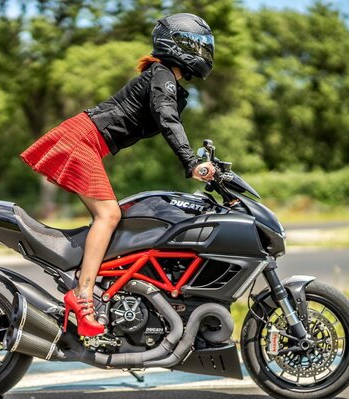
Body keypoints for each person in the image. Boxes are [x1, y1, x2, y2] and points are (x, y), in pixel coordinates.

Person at [20, 13, 216, 337]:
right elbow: (167, 120)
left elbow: (167, 114)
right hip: (81, 139)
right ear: (181, 45)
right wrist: (191, 162)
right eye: (200, 46)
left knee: (124, 212)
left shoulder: (165, 79)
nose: (205, 53)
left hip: (86, 140)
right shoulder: (162, 74)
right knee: (108, 215)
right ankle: (82, 297)